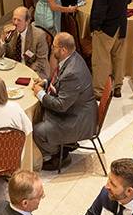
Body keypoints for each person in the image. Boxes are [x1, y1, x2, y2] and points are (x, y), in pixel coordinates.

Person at [32, 32, 98, 170]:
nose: (51, 48)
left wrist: (40, 94)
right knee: (41, 113)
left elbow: (61, 105)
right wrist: (45, 82)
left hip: (77, 119)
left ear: (63, 50)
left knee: (37, 130)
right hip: (75, 109)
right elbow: (59, 81)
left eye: (54, 46)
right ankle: (60, 146)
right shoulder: (71, 58)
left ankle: (57, 155)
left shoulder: (72, 72)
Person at [89, 0, 133, 99]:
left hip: (106, 27)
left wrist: (95, 26)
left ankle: (100, 92)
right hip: (121, 24)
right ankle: (118, 87)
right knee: (118, 57)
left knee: (101, 61)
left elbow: (99, 10)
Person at [0, 5, 51, 80]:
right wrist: (2, 40)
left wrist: (24, 71)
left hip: (34, 70)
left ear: (27, 21)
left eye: (19, 20)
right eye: (14, 19)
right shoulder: (9, 32)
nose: (15, 23)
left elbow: (41, 62)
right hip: (13, 68)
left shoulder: (39, 36)